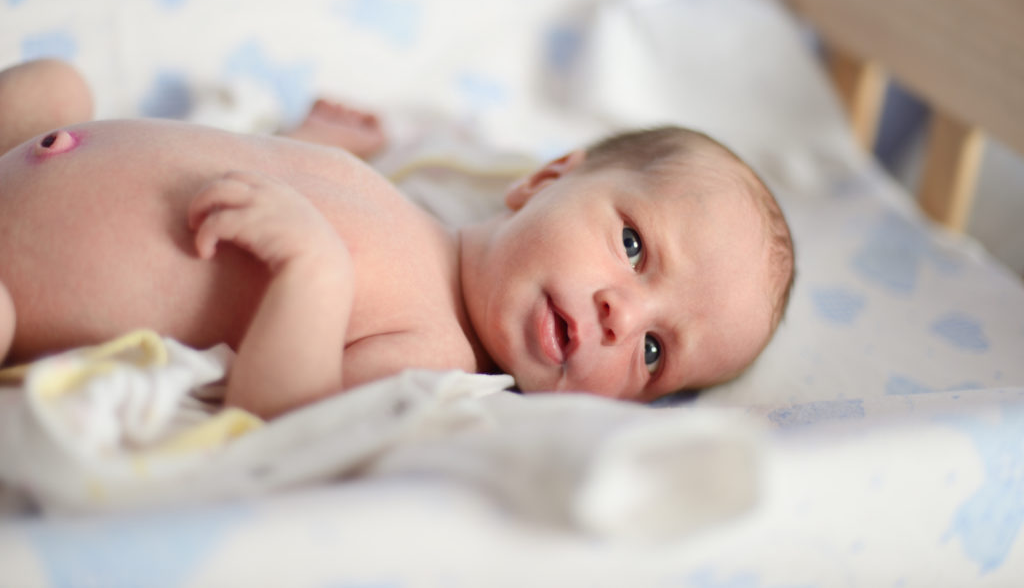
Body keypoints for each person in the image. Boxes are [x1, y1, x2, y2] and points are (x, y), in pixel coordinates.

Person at [0, 59, 794, 418]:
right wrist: (311, 141)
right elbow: (292, 179)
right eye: (632, 247)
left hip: (22, 282)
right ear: (547, 177)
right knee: (54, 86)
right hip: (30, 153)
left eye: (655, 353)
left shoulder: (436, 353)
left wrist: (310, 266)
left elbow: (283, 409)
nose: (624, 315)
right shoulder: (418, 210)